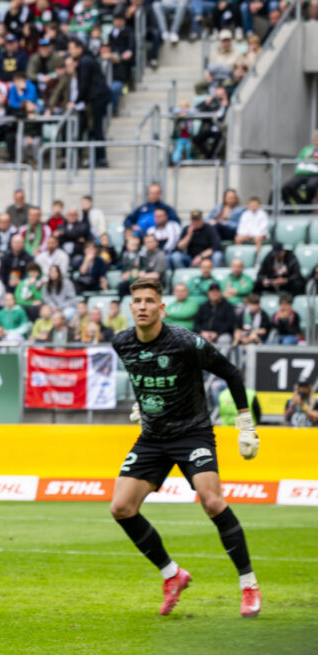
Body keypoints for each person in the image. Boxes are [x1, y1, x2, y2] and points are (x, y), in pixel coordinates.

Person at [111, 278, 260, 618]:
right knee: (121, 507)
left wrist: (245, 421)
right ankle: (172, 575)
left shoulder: (184, 342)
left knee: (212, 501)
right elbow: (142, 372)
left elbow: (231, 373)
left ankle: (249, 584)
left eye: (150, 300)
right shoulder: (121, 342)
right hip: (152, 437)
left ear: (162, 308)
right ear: (131, 307)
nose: (143, 306)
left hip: (192, 433)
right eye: (138, 300)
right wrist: (142, 404)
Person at [67, 39, 110, 168]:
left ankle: (100, 159)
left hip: (97, 98)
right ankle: (97, 158)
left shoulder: (85, 61)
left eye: (71, 48)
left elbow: (84, 84)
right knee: (94, 130)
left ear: (79, 48)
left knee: (96, 129)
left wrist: (75, 101)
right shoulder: (87, 59)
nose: (70, 51)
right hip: (97, 98)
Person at [280, 131, 318, 208]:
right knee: (287, 187)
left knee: (310, 186)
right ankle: (299, 204)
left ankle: (306, 205)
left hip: (315, 175)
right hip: (301, 173)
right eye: (315, 138)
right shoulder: (307, 149)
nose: (316, 140)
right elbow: (299, 160)